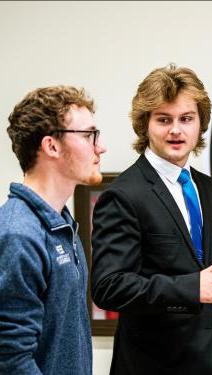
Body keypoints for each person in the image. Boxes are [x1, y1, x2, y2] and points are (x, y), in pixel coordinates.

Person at [91, 64, 212, 375]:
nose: (176, 130)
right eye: (164, 120)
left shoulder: (207, 188)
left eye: (186, 119)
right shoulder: (124, 195)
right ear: (145, 125)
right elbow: (109, 287)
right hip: (156, 364)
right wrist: (190, 288)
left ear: (200, 123)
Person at [0, 86, 106, 374]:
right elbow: (11, 361)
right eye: (88, 136)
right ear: (52, 146)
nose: (100, 147)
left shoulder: (62, 226)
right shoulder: (18, 234)